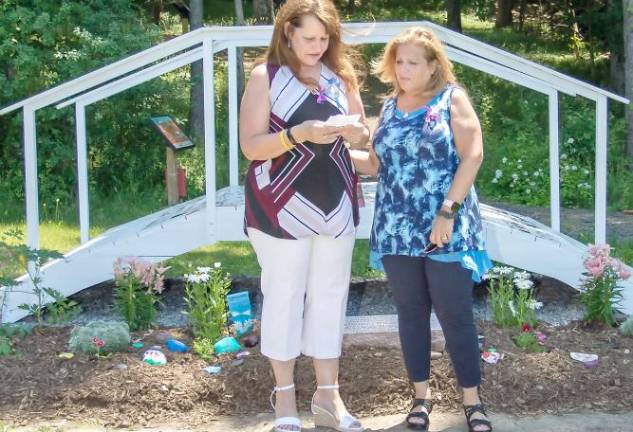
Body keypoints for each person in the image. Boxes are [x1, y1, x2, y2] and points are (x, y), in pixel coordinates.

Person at [350, 27, 493, 432]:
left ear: (433, 66)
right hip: (397, 228)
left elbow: (473, 154)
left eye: (413, 62)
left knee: (455, 314)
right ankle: (420, 398)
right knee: (411, 314)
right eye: (399, 61)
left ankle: (472, 401)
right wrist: (339, 149)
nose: (403, 69)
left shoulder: (452, 98)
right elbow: (377, 165)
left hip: (445, 226)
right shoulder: (391, 106)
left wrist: (447, 211)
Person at [239, 1, 369, 431]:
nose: (317, 46)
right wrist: (299, 134)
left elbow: (364, 139)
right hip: (280, 205)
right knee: (285, 295)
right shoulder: (266, 77)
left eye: (324, 38)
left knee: (331, 295)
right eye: (308, 37)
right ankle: (284, 399)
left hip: (336, 203)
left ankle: (329, 398)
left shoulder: (340, 77)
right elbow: (252, 146)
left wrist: (356, 132)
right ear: (287, 33)